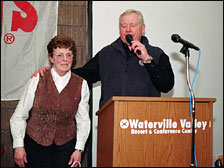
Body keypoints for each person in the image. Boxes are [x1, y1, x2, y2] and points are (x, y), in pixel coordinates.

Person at [32, 9, 174, 108]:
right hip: (112, 120)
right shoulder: (107, 53)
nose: (128, 30)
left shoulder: (156, 54)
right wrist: (56, 71)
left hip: (144, 122)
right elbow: (85, 75)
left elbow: (167, 85)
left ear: (142, 28)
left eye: (133, 25)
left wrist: (148, 60)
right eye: (124, 26)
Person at [10, 35, 90, 168]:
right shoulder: (38, 79)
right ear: (51, 58)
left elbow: (83, 120)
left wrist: (79, 149)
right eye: (59, 55)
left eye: (69, 55)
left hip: (66, 148)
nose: (65, 59)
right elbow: (19, 115)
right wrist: (18, 145)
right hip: (35, 145)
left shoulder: (82, 84)